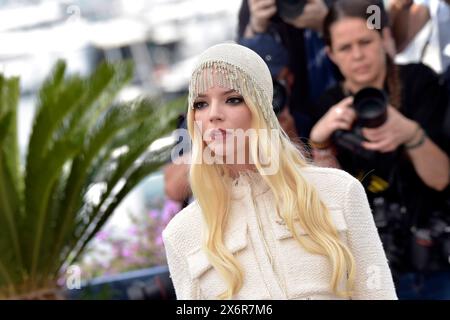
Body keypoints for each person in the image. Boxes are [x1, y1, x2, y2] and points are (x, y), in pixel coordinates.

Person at [162, 42, 397, 300]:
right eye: (200, 104)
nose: (213, 115)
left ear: (262, 108)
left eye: (233, 99)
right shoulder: (181, 233)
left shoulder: (339, 191)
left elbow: (379, 293)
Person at [309, 0, 450, 299]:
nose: (358, 55)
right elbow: (325, 208)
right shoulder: (327, 106)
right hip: (369, 272)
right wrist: (320, 142)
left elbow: (441, 178)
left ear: (385, 38)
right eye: (346, 48)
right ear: (331, 54)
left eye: (366, 41)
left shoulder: (419, 82)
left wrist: (411, 133)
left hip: (436, 262)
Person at [237, 0, 340, 138]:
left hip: (336, 110)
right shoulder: (253, 5)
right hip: (284, 113)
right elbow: (241, 69)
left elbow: (372, 38)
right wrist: (256, 27)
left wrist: (328, 23)